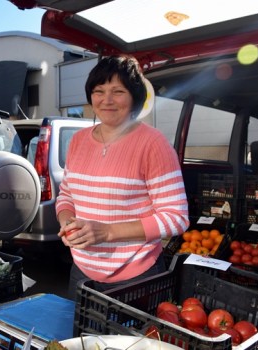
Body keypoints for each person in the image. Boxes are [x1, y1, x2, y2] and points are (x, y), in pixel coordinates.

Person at [56, 55, 190, 299]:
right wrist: (67, 223)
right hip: (82, 273)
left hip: (137, 277)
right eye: (99, 91)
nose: (107, 100)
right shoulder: (78, 141)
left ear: (134, 96)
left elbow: (176, 218)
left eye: (118, 91)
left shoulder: (153, 143)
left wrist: (107, 232)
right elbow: (66, 195)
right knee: (80, 338)